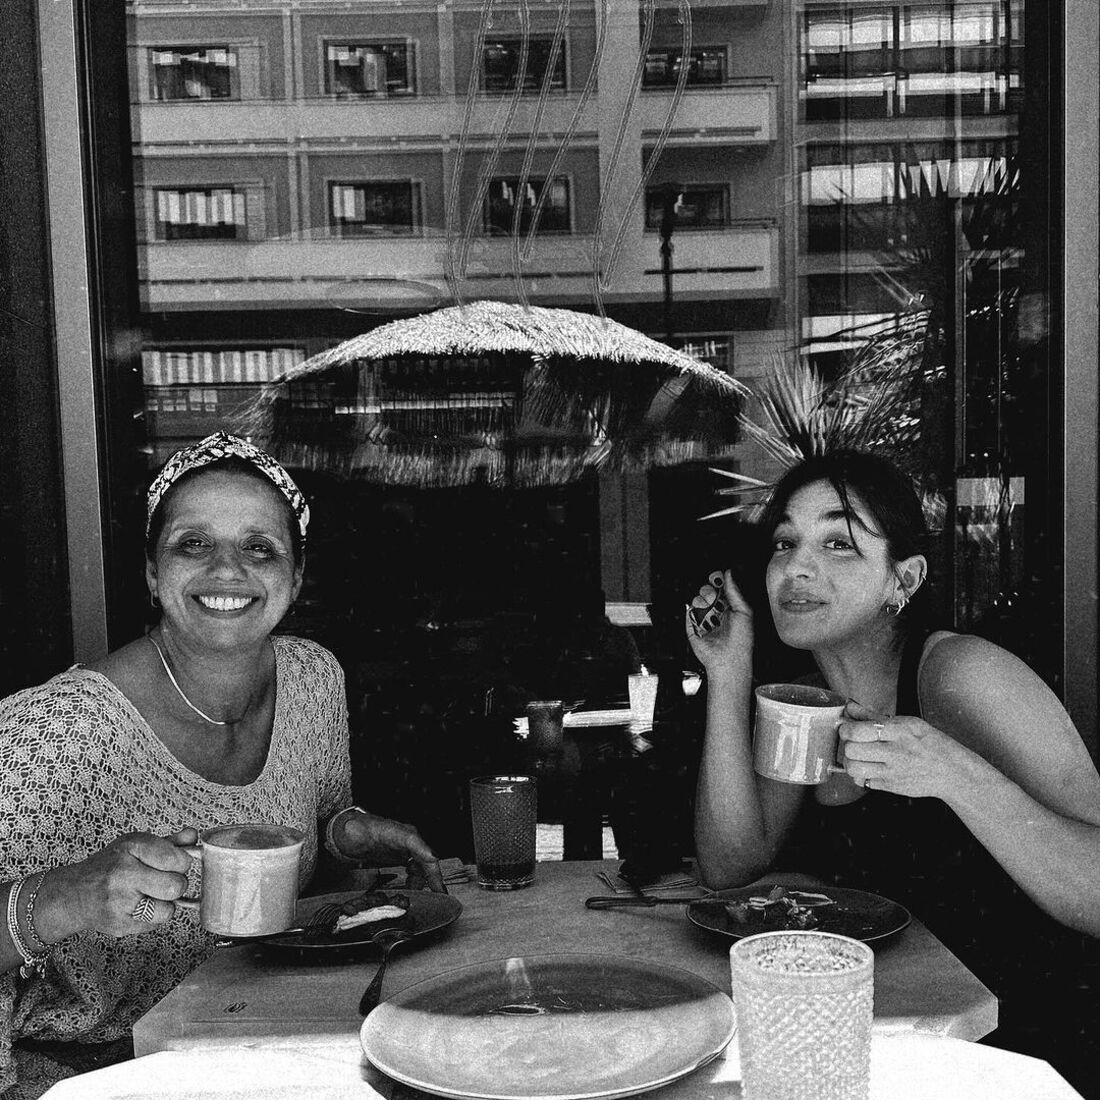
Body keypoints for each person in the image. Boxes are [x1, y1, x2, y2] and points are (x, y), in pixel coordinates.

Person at [0, 432, 444, 1099]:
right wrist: (68, 896)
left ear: (295, 578)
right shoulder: (54, 732)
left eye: (259, 547)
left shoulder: (312, 678)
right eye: (193, 543)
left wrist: (342, 833)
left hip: (258, 1049)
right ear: (153, 573)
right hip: (86, 1081)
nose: (228, 569)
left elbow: (304, 842)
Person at [688, 449, 1100, 1092]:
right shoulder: (805, 703)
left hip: (1026, 1054)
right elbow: (731, 869)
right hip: (883, 1049)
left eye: (838, 544)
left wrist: (953, 771)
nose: (796, 567)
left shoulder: (960, 675)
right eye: (785, 543)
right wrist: (727, 670)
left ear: (902, 580)